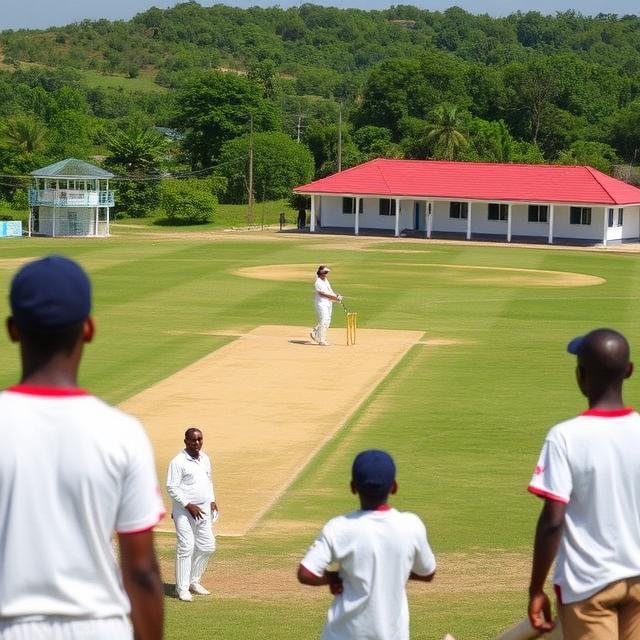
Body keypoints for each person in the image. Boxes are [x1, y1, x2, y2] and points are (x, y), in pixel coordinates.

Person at [0, 255, 164, 640]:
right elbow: (141, 572)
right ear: (88, 329)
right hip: (101, 627)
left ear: (12, 330)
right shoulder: (123, 433)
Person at [527, 328, 640, 639]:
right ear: (628, 371)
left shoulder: (565, 437)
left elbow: (553, 520)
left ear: (580, 376)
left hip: (588, 586)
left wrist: (536, 588)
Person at [297, 449, 436, 640]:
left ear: (353, 487)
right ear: (394, 487)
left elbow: (306, 573)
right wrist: (395, 572)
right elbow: (428, 573)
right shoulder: (411, 525)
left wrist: (334, 577)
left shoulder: (339, 527)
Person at [166, 427, 218, 602]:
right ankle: (181, 589)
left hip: (203, 510)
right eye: (193, 440)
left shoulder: (205, 459)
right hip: (184, 511)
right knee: (186, 546)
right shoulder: (178, 462)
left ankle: (193, 581)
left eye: (199, 440)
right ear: (186, 441)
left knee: (208, 546)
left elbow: (208, 481)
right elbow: (171, 487)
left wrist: (212, 501)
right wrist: (187, 505)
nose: (197, 443)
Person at [310, 265, 342, 347]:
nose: (326, 274)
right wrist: (335, 298)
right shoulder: (318, 282)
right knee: (324, 320)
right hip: (321, 303)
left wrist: (336, 296)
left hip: (328, 303)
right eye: (324, 272)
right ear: (320, 272)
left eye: (326, 272)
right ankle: (322, 340)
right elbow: (323, 294)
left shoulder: (326, 280)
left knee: (327, 321)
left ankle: (315, 332)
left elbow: (329, 291)